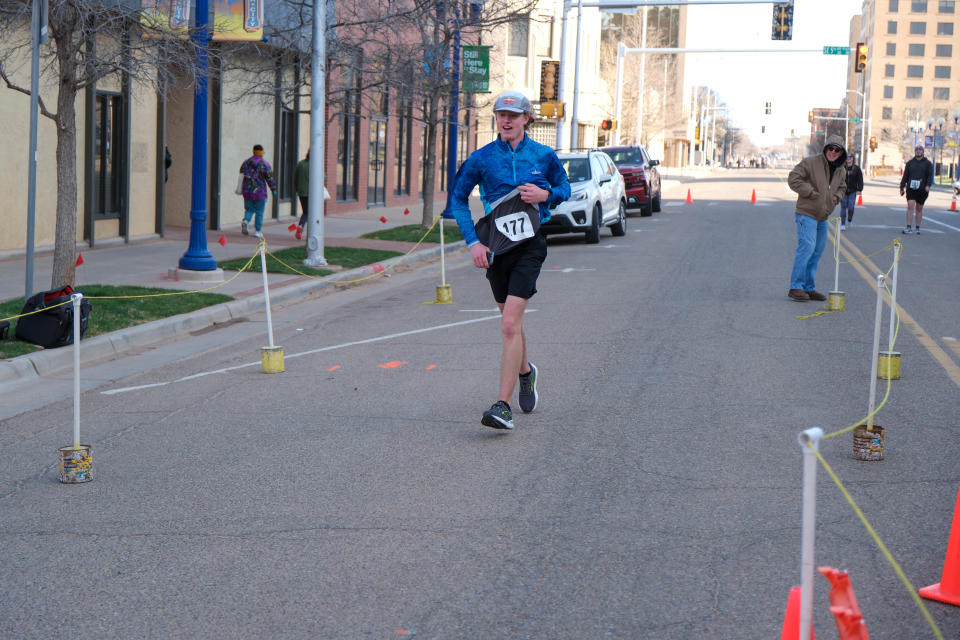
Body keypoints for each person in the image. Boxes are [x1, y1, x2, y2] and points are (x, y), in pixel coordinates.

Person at [449, 90, 571, 430]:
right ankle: (526, 372)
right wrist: (473, 242)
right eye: (502, 114)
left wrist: (547, 194)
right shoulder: (482, 158)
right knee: (510, 322)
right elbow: (457, 200)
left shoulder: (543, 155)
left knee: (507, 324)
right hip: (496, 248)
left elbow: (565, 189)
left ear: (526, 119)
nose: (506, 119)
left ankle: (501, 406)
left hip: (531, 244)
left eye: (513, 115)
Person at [786, 135, 847, 302]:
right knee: (807, 247)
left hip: (823, 216)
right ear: (826, 148)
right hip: (807, 213)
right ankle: (796, 287)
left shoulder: (841, 170)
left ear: (841, 152)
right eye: (831, 148)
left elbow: (842, 187)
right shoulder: (811, 162)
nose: (833, 152)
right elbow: (793, 178)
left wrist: (836, 198)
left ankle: (808, 288)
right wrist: (810, 192)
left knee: (817, 252)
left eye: (837, 149)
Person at [239, 144, 277, 238]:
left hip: (247, 191)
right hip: (260, 192)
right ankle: (257, 231)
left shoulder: (246, 163)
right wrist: (274, 189)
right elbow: (270, 178)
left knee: (249, 209)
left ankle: (246, 221)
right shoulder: (265, 164)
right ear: (262, 152)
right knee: (259, 212)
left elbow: (241, 172)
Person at [899, 145, 934, 234]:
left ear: (923, 152)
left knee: (919, 208)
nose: (918, 151)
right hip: (911, 188)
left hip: (922, 189)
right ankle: (908, 227)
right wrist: (902, 187)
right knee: (910, 206)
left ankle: (917, 227)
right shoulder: (910, 163)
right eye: (917, 150)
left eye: (920, 150)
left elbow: (930, 176)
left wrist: (928, 185)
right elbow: (905, 176)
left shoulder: (927, 163)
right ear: (915, 152)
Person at [839, 153, 863, 230]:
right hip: (843, 191)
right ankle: (842, 224)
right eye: (847, 157)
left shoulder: (857, 169)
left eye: (850, 157)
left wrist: (859, 189)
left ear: (853, 159)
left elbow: (860, 180)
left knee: (851, 207)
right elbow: (837, 179)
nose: (848, 159)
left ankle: (849, 220)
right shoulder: (841, 168)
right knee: (843, 207)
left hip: (853, 191)